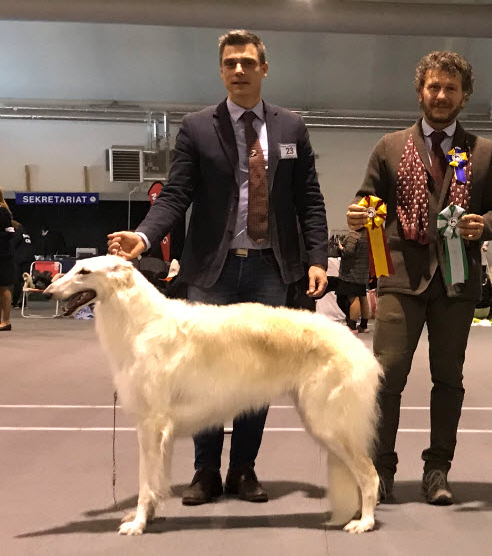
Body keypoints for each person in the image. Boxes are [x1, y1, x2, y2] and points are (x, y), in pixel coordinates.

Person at [108, 30, 328, 506]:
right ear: (221, 70)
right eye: (230, 63)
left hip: (272, 269)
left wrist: (316, 259)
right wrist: (144, 235)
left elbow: (309, 200)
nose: (239, 70)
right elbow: (175, 194)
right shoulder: (197, 127)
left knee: (258, 375)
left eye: (248, 62)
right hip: (212, 270)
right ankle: (205, 470)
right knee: (201, 374)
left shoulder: (291, 127)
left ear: (264, 68)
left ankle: (243, 469)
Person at [346, 51, 492, 506]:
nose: (442, 95)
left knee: (449, 379)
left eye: (451, 88)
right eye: (434, 86)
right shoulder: (389, 147)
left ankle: (437, 470)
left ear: (464, 95)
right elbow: (366, 200)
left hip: (458, 282)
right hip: (399, 280)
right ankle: (380, 470)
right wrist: (359, 213)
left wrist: (484, 226)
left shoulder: (484, 151)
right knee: (386, 378)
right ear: (420, 91)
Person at [336, 228, 370, 333]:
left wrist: (340, 248)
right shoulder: (368, 234)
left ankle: (352, 326)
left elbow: (348, 252)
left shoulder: (353, 234)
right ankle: (364, 325)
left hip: (351, 273)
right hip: (363, 272)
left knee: (353, 298)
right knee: (363, 298)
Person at [0, 188, 15, 331]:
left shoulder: (3, 211)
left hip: (3, 256)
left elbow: (9, 233)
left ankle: (6, 321)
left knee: (4, 288)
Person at [11, 220, 35, 308]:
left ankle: (15, 302)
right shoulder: (25, 233)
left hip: (20, 259)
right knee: (25, 281)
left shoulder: (18, 233)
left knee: (17, 281)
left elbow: (13, 244)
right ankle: (23, 302)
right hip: (29, 259)